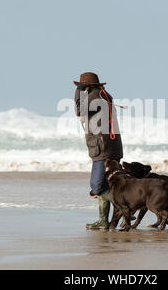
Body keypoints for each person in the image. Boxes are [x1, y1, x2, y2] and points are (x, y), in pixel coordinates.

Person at [74, 72, 123, 229]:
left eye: (82, 87)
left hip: (103, 149)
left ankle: (126, 208)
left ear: (86, 86)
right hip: (111, 147)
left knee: (97, 186)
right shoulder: (104, 95)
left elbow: (79, 110)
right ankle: (104, 220)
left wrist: (79, 92)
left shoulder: (94, 96)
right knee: (107, 186)